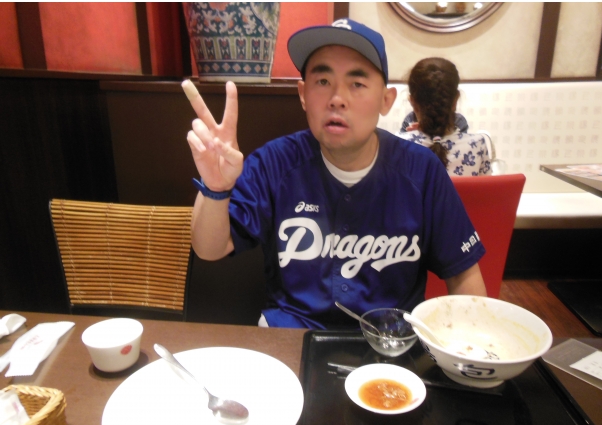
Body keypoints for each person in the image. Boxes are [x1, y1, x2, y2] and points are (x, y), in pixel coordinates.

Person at [184, 19, 487, 329]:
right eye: (323, 81)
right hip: (290, 335)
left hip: (390, 342)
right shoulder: (274, 163)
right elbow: (209, 248)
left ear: (386, 100)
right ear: (303, 93)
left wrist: (471, 345)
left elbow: (463, 274)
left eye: (357, 83)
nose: (337, 99)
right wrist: (215, 188)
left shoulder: (421, 171)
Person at [397, 57, 492, 177]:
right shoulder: (478, 145)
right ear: (455, 100)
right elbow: (486, 188)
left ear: (412, 102)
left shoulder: (396, 146)